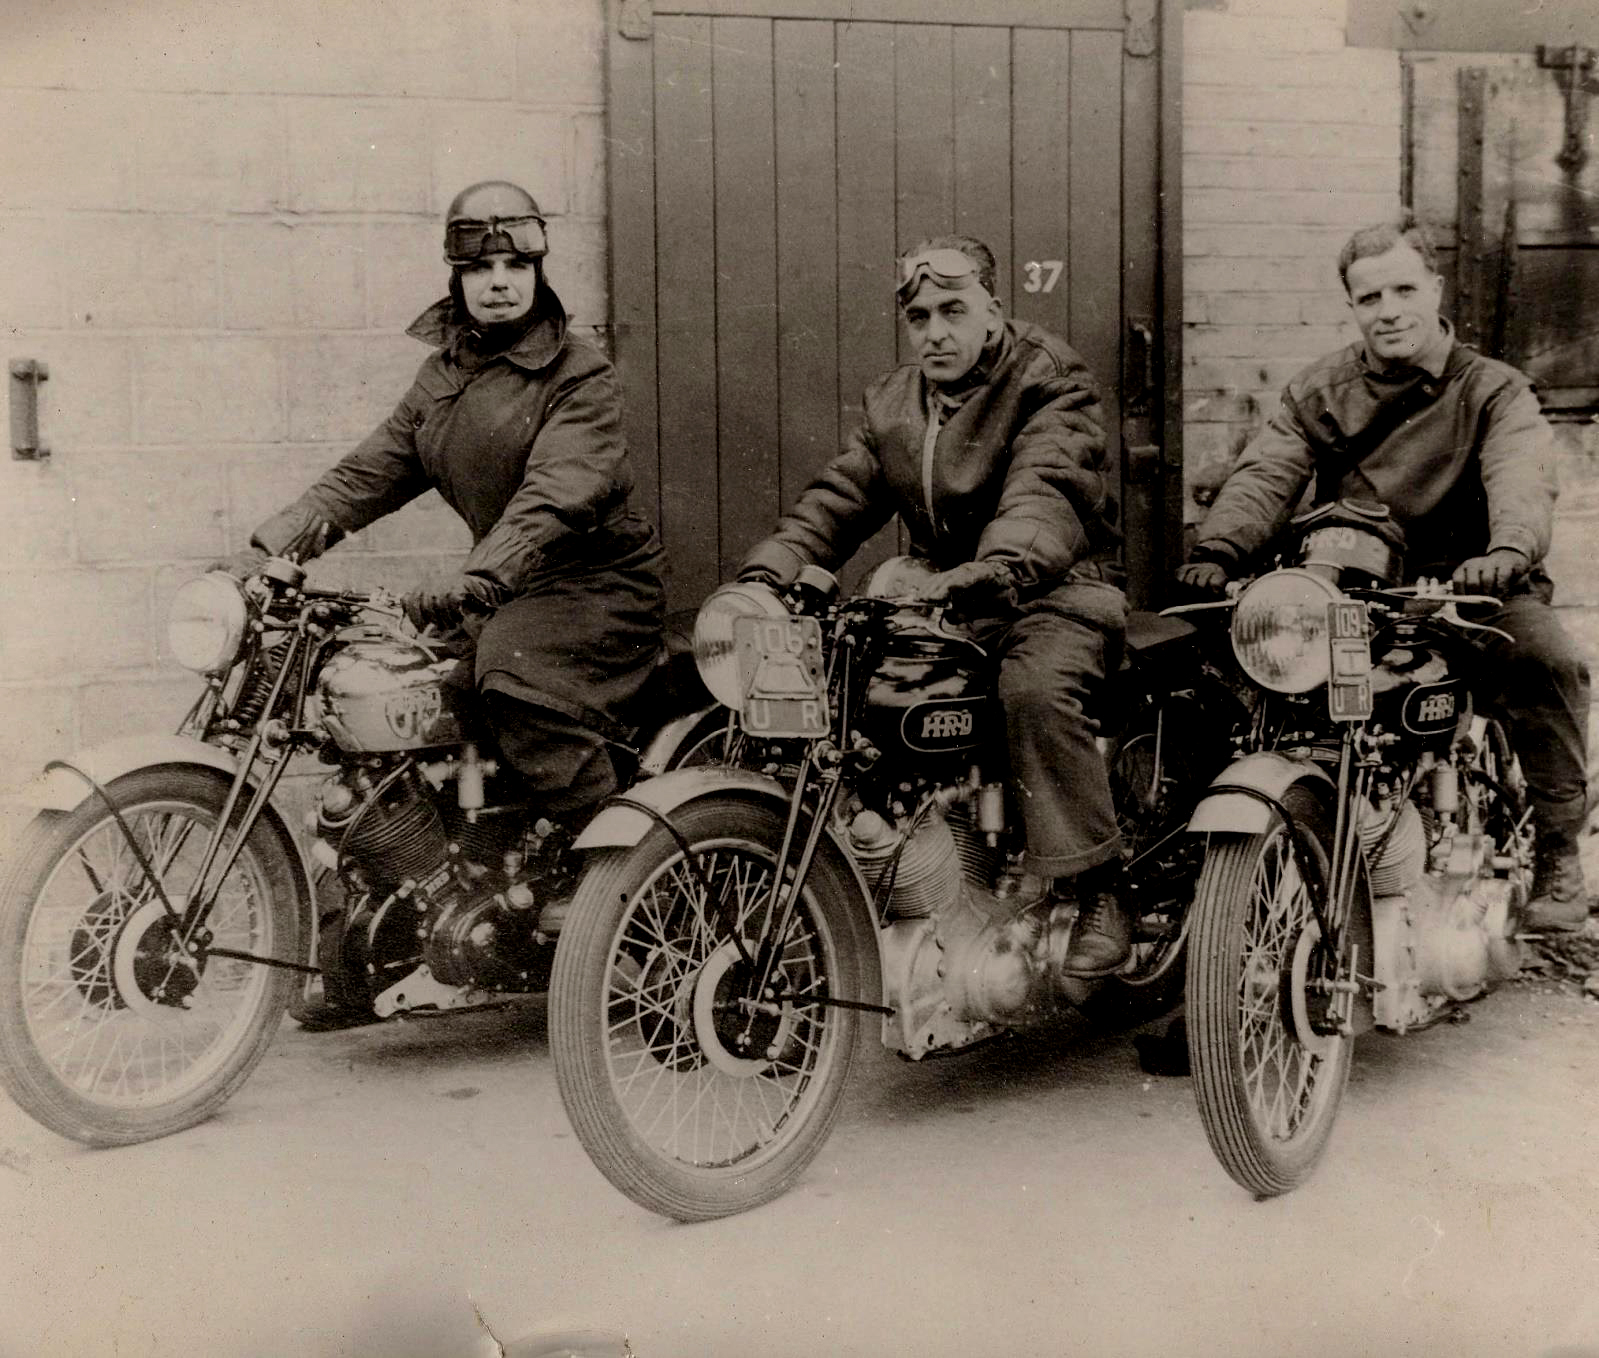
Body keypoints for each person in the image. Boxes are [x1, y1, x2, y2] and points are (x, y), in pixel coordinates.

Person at [1178, 213, 1592, 932]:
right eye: (1368, 298)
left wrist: (1505, 551)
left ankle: (1558, 850)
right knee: (1228, 670)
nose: (1388, 310)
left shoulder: (1492, 390)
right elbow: (1266, 473)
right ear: (1351, 305)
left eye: (1403, 289)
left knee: (1545, 662)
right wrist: (1218, 551)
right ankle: (1225, 885)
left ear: (1434, 288)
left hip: (1473, 583)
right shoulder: (1320, 390)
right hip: (1352, 583)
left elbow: (1519, 472)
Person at [738, 234, 1134, 975]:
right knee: (842, 691)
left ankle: (1096, 885)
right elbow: (836, 498)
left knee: (1033, 691)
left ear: (992, 307)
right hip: (949, 595)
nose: (935, 332)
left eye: (953, 310)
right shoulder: (895, 402)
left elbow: (1045, 489)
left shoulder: (1047, 378)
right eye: (919, 317)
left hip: (1056, 588)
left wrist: (992, 567)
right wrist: (769, 574)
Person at [222, 179, 664, 827]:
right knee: (408, 697)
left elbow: (553, 498)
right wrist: (264, 553)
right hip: (505, 591)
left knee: (515, 692)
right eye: (479, 267)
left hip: (595, 591)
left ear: (538, 273)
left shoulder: (580, 375)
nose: (499, 281)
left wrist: (476, 580)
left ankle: (612, 862)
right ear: (455, 278)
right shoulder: (442, 377)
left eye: (516, 265)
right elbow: (364, 477)